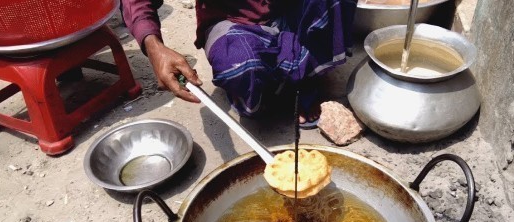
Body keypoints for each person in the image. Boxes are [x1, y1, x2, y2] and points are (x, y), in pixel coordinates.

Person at [121, 0, 355, 127]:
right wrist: (154, 48)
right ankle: (273, 83)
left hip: (291, 10)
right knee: (242, 68)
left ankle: (304, 78)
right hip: (233, 21)